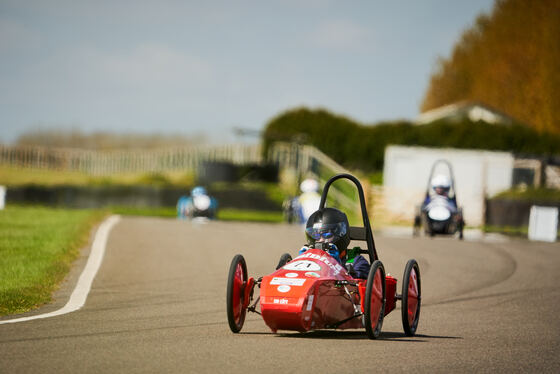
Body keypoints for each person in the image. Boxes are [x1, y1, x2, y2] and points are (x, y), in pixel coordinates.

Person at [299, 207, 370, 279]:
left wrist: (336, 265)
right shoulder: (310, 258)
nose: (320, 240)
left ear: (340, 234)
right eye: (316, 235)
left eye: (326, 235)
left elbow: (358, 282)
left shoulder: (356, 261)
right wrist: (301, 261)